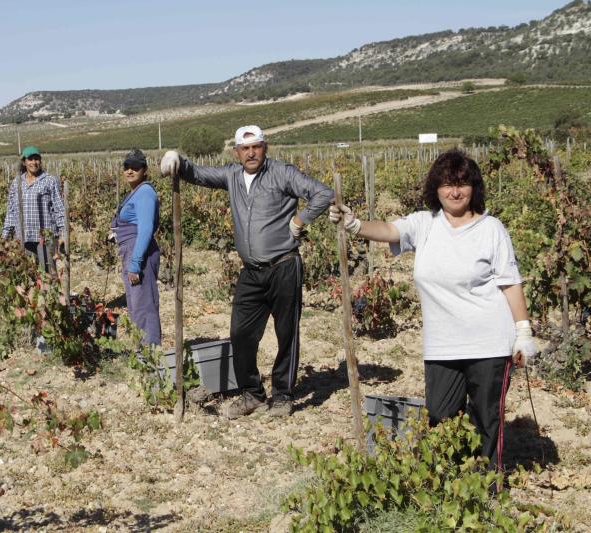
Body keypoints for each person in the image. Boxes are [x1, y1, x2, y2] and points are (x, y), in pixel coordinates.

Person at [328, 148, 537, 470]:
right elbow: (387, 231)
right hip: (443, 344)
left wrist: (523, 331)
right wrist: (354, 224)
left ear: (474, 188)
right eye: (447, 184)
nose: (455, 191)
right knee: (440, 416)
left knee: (486, 419)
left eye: (463, 184)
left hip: (489, 342)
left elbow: (510, 283)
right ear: (435, 189)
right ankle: (451, 484)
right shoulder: (424, 224)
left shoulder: (491, 229)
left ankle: (487, 488)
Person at [161, 125, 334, 418]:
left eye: (257, 147)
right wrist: (178, 160)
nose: (251, 153)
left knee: (286, 333)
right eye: (246, 148)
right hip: (251, 272)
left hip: (284, 266)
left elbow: (323, 193)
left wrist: (300, 220)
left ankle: (282, 395)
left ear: (265, 148)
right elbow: (198, 174)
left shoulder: (283, 173)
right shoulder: (231, 175)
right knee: (240, 334)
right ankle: (252, 393)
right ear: (237, 152)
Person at [110, 149, 161, 347]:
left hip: (140, 253)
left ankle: (150, 353)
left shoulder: (145, 192)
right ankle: (142, 350)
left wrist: (135, 264)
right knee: (136, 302)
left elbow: (146, 229)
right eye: (127, 167)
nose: (130, 170)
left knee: (144, 304)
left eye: (135, 167)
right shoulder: (136, 192)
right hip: (131, 249)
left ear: (145, 169)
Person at [1, 146, 66, 273]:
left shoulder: (49, 180)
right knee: (28, 273)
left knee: (48, 271)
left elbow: (59, 208)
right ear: (24, 162)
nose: (34, 162)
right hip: (23, 235)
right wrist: (5, 235)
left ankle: (52, 292)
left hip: (44, 235)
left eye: (36, 159)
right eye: (30, 159)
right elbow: (11, 210)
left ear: (40, 161)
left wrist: (63, 232)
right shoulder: (17, 182)